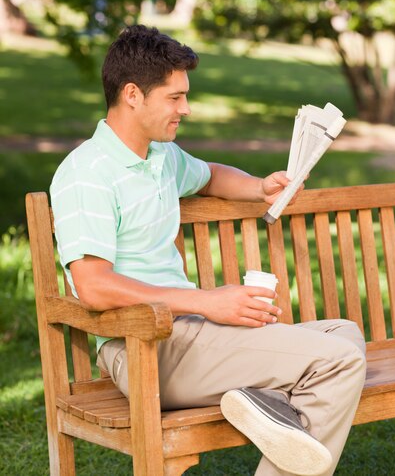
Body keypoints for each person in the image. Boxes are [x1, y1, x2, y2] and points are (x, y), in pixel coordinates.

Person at [50, 24, 366, 476]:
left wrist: (260, 186)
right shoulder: (87, 174)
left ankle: (265, 405)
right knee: (338, 362)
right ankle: (267, 404)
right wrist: (208, 302)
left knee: (346, 336)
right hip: (145, 347)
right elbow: (94, 287)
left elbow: (211, 175)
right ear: (133, 94)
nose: (187, 109)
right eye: (175, 98)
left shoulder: (158, 157)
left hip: (189, 334)